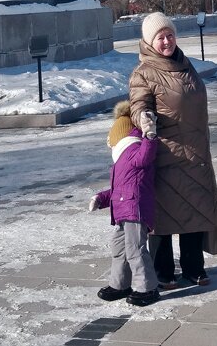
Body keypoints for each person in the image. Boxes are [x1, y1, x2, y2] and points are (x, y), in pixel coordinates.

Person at [128, 12, 217, 289]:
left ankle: (194, 268)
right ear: (149, 41)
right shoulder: (143, 72)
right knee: (163, 216)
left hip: (196, 151)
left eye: (170, 35)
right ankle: (163, 271)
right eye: (160, 37)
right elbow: (138, 103)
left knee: (194, 209)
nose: (167, 41)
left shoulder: (184, 64)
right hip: (165, 153)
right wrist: (144, 117)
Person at [89, 100, 160, 307]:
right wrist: (100, 198)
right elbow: (118, 189)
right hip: (123, 210)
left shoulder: (135, 150)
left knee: (135, 249)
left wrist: (149, 134)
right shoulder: (121, 161)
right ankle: (120, 284)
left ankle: (147, 288)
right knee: (119, 248)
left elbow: (146, 156)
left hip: (135, 209)